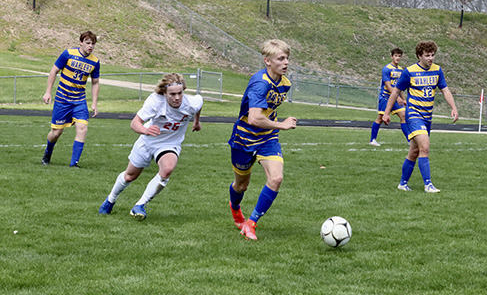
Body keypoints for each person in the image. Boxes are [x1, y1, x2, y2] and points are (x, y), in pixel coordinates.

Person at [99, 73, 203, 220]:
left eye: (180, 93)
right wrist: (145, 130)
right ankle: (110, 200)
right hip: (147, 141)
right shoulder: (155, 102)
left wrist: (196, 122)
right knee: (130, 176)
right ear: (164, 93)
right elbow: (135, 123)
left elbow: (199, 104)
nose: (177, 97)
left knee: (167, 169)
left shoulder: (190, 103)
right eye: (172, 94)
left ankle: (140, 205)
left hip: (169, 144)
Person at [228, 39, 297, 240]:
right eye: (280, 58)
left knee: (276, 178)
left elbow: (268, 113)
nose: (286, 63)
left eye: (287, 58)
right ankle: (235, 209)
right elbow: (255, 118)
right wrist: (282, 125)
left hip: (267, 138)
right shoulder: (260, 83)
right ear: (267, 61)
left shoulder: (285, 83)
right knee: (241, 185)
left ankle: (251, 223)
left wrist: (275, 128)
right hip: (244, 139)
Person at [382, 41, 458, 193]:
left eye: (432, 55)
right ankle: (428, 185)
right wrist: (386, 112)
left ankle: (403, 184)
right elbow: (396, 92)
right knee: (425, 147)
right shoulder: (409, 71)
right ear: (419, 56)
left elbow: (445, 90)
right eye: (427, 55)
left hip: (427, 116)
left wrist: (453, 107)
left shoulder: (437, 70)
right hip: (414, 115)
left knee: (415, 152)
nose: (431, 58)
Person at [41, 31, 100, 167]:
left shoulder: (95, 62)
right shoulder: (68, 54)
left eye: (93, 44)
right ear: (81, 42)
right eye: (88, 43)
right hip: (62, 99)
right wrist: (48, 92)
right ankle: (48, 153)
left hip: (79, 100)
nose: (90, 46)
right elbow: (53, 71)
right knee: (56, 133)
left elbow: (95, 82)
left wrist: (95, 103)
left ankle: (74, 164)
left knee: (82, 127)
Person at [369, 47, 409, 146]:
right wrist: (397, 97)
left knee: (403, 116)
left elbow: (399, 87)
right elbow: (388, 85)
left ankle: (409, 140)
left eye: (399, 56)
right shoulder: (386, 69)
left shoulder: (401, 70)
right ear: (392, 56)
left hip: (396, 98)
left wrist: (404, 99)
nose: (397, 58)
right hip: (386, 97)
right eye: (396, 56)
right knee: (380, 118)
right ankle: (372, 140)